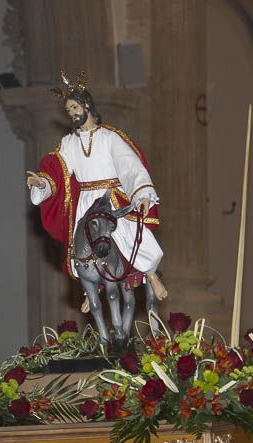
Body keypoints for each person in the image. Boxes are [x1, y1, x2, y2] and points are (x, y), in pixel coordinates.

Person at [25, 73, 167, 301]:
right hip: (86, 201)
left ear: (87, 105)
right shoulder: (69, 143)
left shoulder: (110, 138)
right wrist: (43, 182)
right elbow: (57, 170)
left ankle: (150, 274)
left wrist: (141, 191)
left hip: (110, 197)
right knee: (81, 243)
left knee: (128, 234)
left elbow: (129, 165)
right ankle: (90, 287)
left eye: (74, 107)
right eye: (68, 110)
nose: (72, 113)